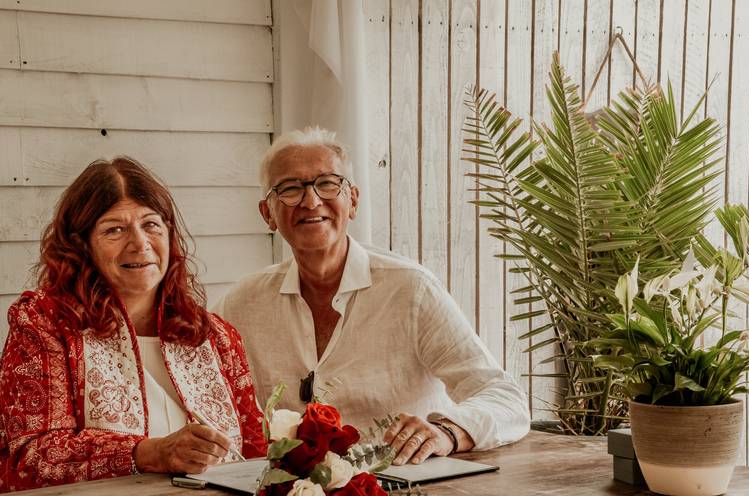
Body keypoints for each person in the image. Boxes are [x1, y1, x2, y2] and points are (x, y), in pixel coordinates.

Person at [214, 127, 529, 465]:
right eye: (290, 188)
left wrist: (449, 433)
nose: (311, 200)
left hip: (413, 495)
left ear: (353, 201)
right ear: (268, 213)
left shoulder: (412, 290)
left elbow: (504, 398)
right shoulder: (241, 304)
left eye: (327, 183)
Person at [0, 157, 266, 496]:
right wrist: (151, 453)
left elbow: (256, 451)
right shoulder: (46, 323)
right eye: (114, 229)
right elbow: (32, 456)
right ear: (81, 245)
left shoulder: (214, 336)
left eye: (151, 225)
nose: (139, 243)